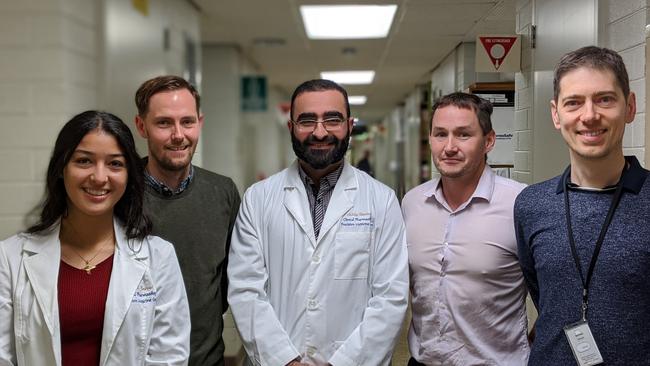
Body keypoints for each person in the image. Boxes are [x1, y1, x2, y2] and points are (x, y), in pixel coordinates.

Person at [227, 79, 409, 366]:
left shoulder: (382, 201)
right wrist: (285, 360)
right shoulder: (257, 200)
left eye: (332, 119)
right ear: (291, 128)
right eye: (307, 120)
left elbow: (390, 298)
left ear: (349, 125)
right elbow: (245, 289)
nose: (320, 131)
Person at [0, 111, 190, 365]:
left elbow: (170, 357)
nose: (99, 177)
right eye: (84, 161)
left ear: (129, 175)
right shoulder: (10, 258)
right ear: (61, 169)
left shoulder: (159, 257)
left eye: (115, 164)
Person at [515, 46, 649, 365]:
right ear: (556, 114)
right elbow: (544, 297)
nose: (589, 115)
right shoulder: (531, 205)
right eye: (573, 102)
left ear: (629, 107)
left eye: (604, 99)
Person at [402, 92, 529, 365]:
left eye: (463, 135)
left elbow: (556, 295)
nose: (449, 146)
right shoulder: (412, 203)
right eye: (440, 134)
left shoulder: (520, 203)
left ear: (489, 141)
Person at [134, 75, 240, 366]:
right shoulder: (121, 194)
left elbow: (234, 280)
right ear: (142, 126)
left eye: (187, 122)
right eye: (164, 123)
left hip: (206, 360)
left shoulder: (223, 192)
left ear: (200, 123)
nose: (178, 134)